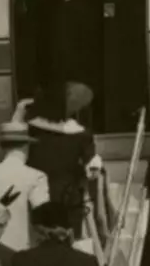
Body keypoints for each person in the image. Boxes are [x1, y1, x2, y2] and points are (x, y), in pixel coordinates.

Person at [22, 83, 102, 246]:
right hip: (66, 193)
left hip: (35, 190)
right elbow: (91, 163)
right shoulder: (81, 134)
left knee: (36, 235)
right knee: (67, 236)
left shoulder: (30, 129)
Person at [0, 121, 50, 252]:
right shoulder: (37, 177)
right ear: (26, 146)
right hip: (22, 252)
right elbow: (45, 219)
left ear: (2, 146)